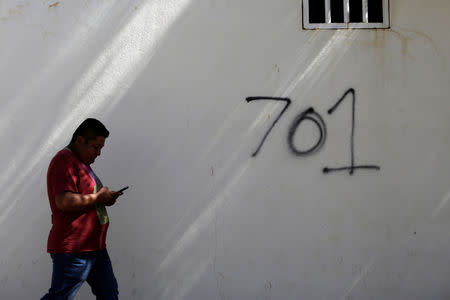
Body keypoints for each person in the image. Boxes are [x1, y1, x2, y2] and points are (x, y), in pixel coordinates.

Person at [41, 118, 122, 300]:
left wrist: (105, 199)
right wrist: (98, 197)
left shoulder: (80, 164)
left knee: (109, 294)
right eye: (95, 147)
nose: (99, 153)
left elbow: (87, 200)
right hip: (75, 249)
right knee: (59, 297)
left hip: (95, 246)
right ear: (79, 141)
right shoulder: (64, 160)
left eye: (101, 148)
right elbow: (64, 200)